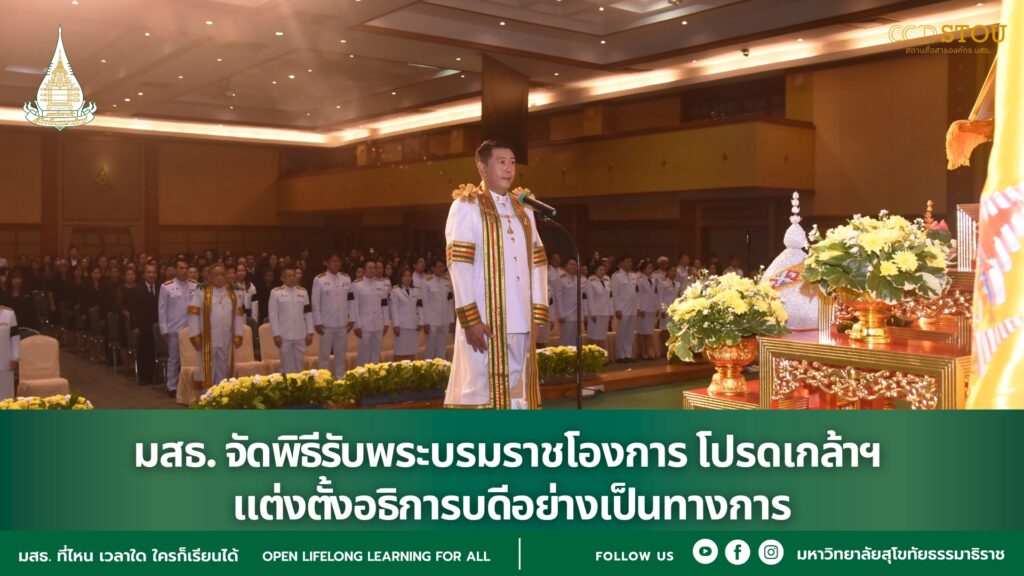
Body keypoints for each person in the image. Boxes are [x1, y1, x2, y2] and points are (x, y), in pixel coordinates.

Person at [444, 140, 549, 409]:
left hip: (522, 318)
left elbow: (538, 263)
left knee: (519, 389)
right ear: (482, 167)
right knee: (480, 390)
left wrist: (537, 314)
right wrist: (470, 319)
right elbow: (459, 265)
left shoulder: (524, 208)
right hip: (486, 319)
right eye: (501, 162)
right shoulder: (467, 205)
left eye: (512, 162)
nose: (509, 168)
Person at [187, 263, 245, 388]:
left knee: (223, 364)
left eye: (222, 275)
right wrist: (195, 336)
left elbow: (239, 314)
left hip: (226, 335)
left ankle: (221, 391)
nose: (220, 278)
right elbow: (193, 314)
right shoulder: (201, 291)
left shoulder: (232, 292)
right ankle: (207, 394)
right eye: (216, 275)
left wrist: (238, 334)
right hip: (208, 336)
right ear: (209, 277)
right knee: (207, 365)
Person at [158, 258, 197, 397]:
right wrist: (164, 329)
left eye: (186, 268)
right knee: (174, 359)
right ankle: (172, 386)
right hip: (174, 329)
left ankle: (190, 385)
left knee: (192, 359)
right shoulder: (166, 287)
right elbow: (162, 310)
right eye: (181, 268)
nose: (184, 271)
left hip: (192, 329)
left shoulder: (195, 285)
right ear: (175, 270)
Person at [311, 253, 354, 376]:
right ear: (327, 263)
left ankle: (340, 380)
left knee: (341, 355)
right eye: (333, 261)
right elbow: (315, 302)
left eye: (338, 261)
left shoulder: (346, 278)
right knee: (324, 356)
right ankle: (323, 381)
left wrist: (352, 318)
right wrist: (317, 322)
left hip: (342, 323)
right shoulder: (319, 279)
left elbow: (351, 300)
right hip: (326, 324)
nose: (336, 264)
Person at [268, 266, 313, 374]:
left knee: (299, 363)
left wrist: (310, 332)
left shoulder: (303, 292)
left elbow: (308, 313)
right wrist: (276, 334)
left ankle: (298, 383)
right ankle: (285, 383)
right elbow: (273, 315)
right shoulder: (276, 292)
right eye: (288, 276)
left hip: (300, 333)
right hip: (284, 334)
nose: (292, 278)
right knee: (285, 364)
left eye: (293, 275)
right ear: (282, 278)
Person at [352, 260, 390, 366]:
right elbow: (354, 306)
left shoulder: (381, 284)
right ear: (364, 270)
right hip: (364, 325)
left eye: (374, 267)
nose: (372, 270)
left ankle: (375, 374)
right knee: (363, 355)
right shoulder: (357, 285)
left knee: (376, 353)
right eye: (369, 267)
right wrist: (357, 325)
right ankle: (362, 374)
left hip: (378, 323)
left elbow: (384, 304)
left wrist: (386, 322)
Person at [133, 263, 160, 385]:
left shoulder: (161, 288)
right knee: (143, 351)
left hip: (157, 326)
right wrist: (135, 326)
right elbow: (133, 310)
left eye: (153, 272)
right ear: (144, 275)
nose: (151, 275)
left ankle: (154, 376)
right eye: (149, 272)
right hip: (143, 326)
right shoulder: (137, 289)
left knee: (155, 351)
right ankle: (143, 377)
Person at [422, 259, 455, 360]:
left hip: (444, 320)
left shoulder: (447, 282)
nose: (442, 269)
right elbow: (424, 304)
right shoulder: (427, 282)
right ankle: (427, 368)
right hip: (432, 321)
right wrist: (425, 322)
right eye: (439, 267)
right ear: (433, 268)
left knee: (442, 348)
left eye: (443, 267)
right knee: (430, 349)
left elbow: (450, 303)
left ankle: (440, 368)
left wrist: (451, 320)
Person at [389, 269, 424, 361]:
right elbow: (393, 309)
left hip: (413, 325)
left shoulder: (416, 290)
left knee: (412, 353)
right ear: (400, 278)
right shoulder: (396, 290)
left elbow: (420, 306)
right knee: (400, 353)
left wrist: (421, 321)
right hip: (401, 326)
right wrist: (396, 325)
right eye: (405, 276)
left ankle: (411, 370)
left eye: (409, 276)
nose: (408, 278)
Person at [611, 256, 638, 362]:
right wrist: (617, 309)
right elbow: (615, 294)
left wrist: (637, 307)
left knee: (630, 334)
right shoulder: (616, 276)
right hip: (622, 308)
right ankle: (620, 355)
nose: (629, 264)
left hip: (632, 308)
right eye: (627, 262)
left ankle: (628, 354)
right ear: (621, 263)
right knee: (621, 333)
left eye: (631, 262)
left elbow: (636, 293)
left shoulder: (633, 275)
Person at [585, 262, 613, 352]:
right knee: (594, 336)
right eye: (600, 270)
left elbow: (610, 297)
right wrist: (592, 313)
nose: (602, 272)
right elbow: (590, 298)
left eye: (604, 270)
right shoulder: (591, 281)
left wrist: (611, 312)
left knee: (602, 336)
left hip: (605, 312)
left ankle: (602, 353)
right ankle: (593, 354)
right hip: (596, 313)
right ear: (595, 270)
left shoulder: (607, 279)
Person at [635, 259, 659, 360]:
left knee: (649, 331)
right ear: (644, 269)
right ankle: (642, 351)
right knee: (641, 331)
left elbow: (655, 294)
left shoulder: (653, 280)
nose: (651, 269)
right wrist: (639, 308)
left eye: (651, 268)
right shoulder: (639, 280)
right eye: (649, 268)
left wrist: (657, 307)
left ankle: (649, 350)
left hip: (651, 308)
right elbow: (637, 295)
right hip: (643, 309)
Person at [556, 257, 580, 346]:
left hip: (576, 315)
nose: (574, 267)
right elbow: (558, 297)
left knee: (575, 340)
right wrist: (561, 314)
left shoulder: (577, 278)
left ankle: (574, 354)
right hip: (566, 315)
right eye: (571, 264)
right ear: (565, 266)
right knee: (565, 340)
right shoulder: (561, 279)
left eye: (575, 265)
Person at [0, 305, 18, 400]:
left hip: (4, 363)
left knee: (6, 396)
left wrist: (15, 357)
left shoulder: (8, 314)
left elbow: (14, 337)